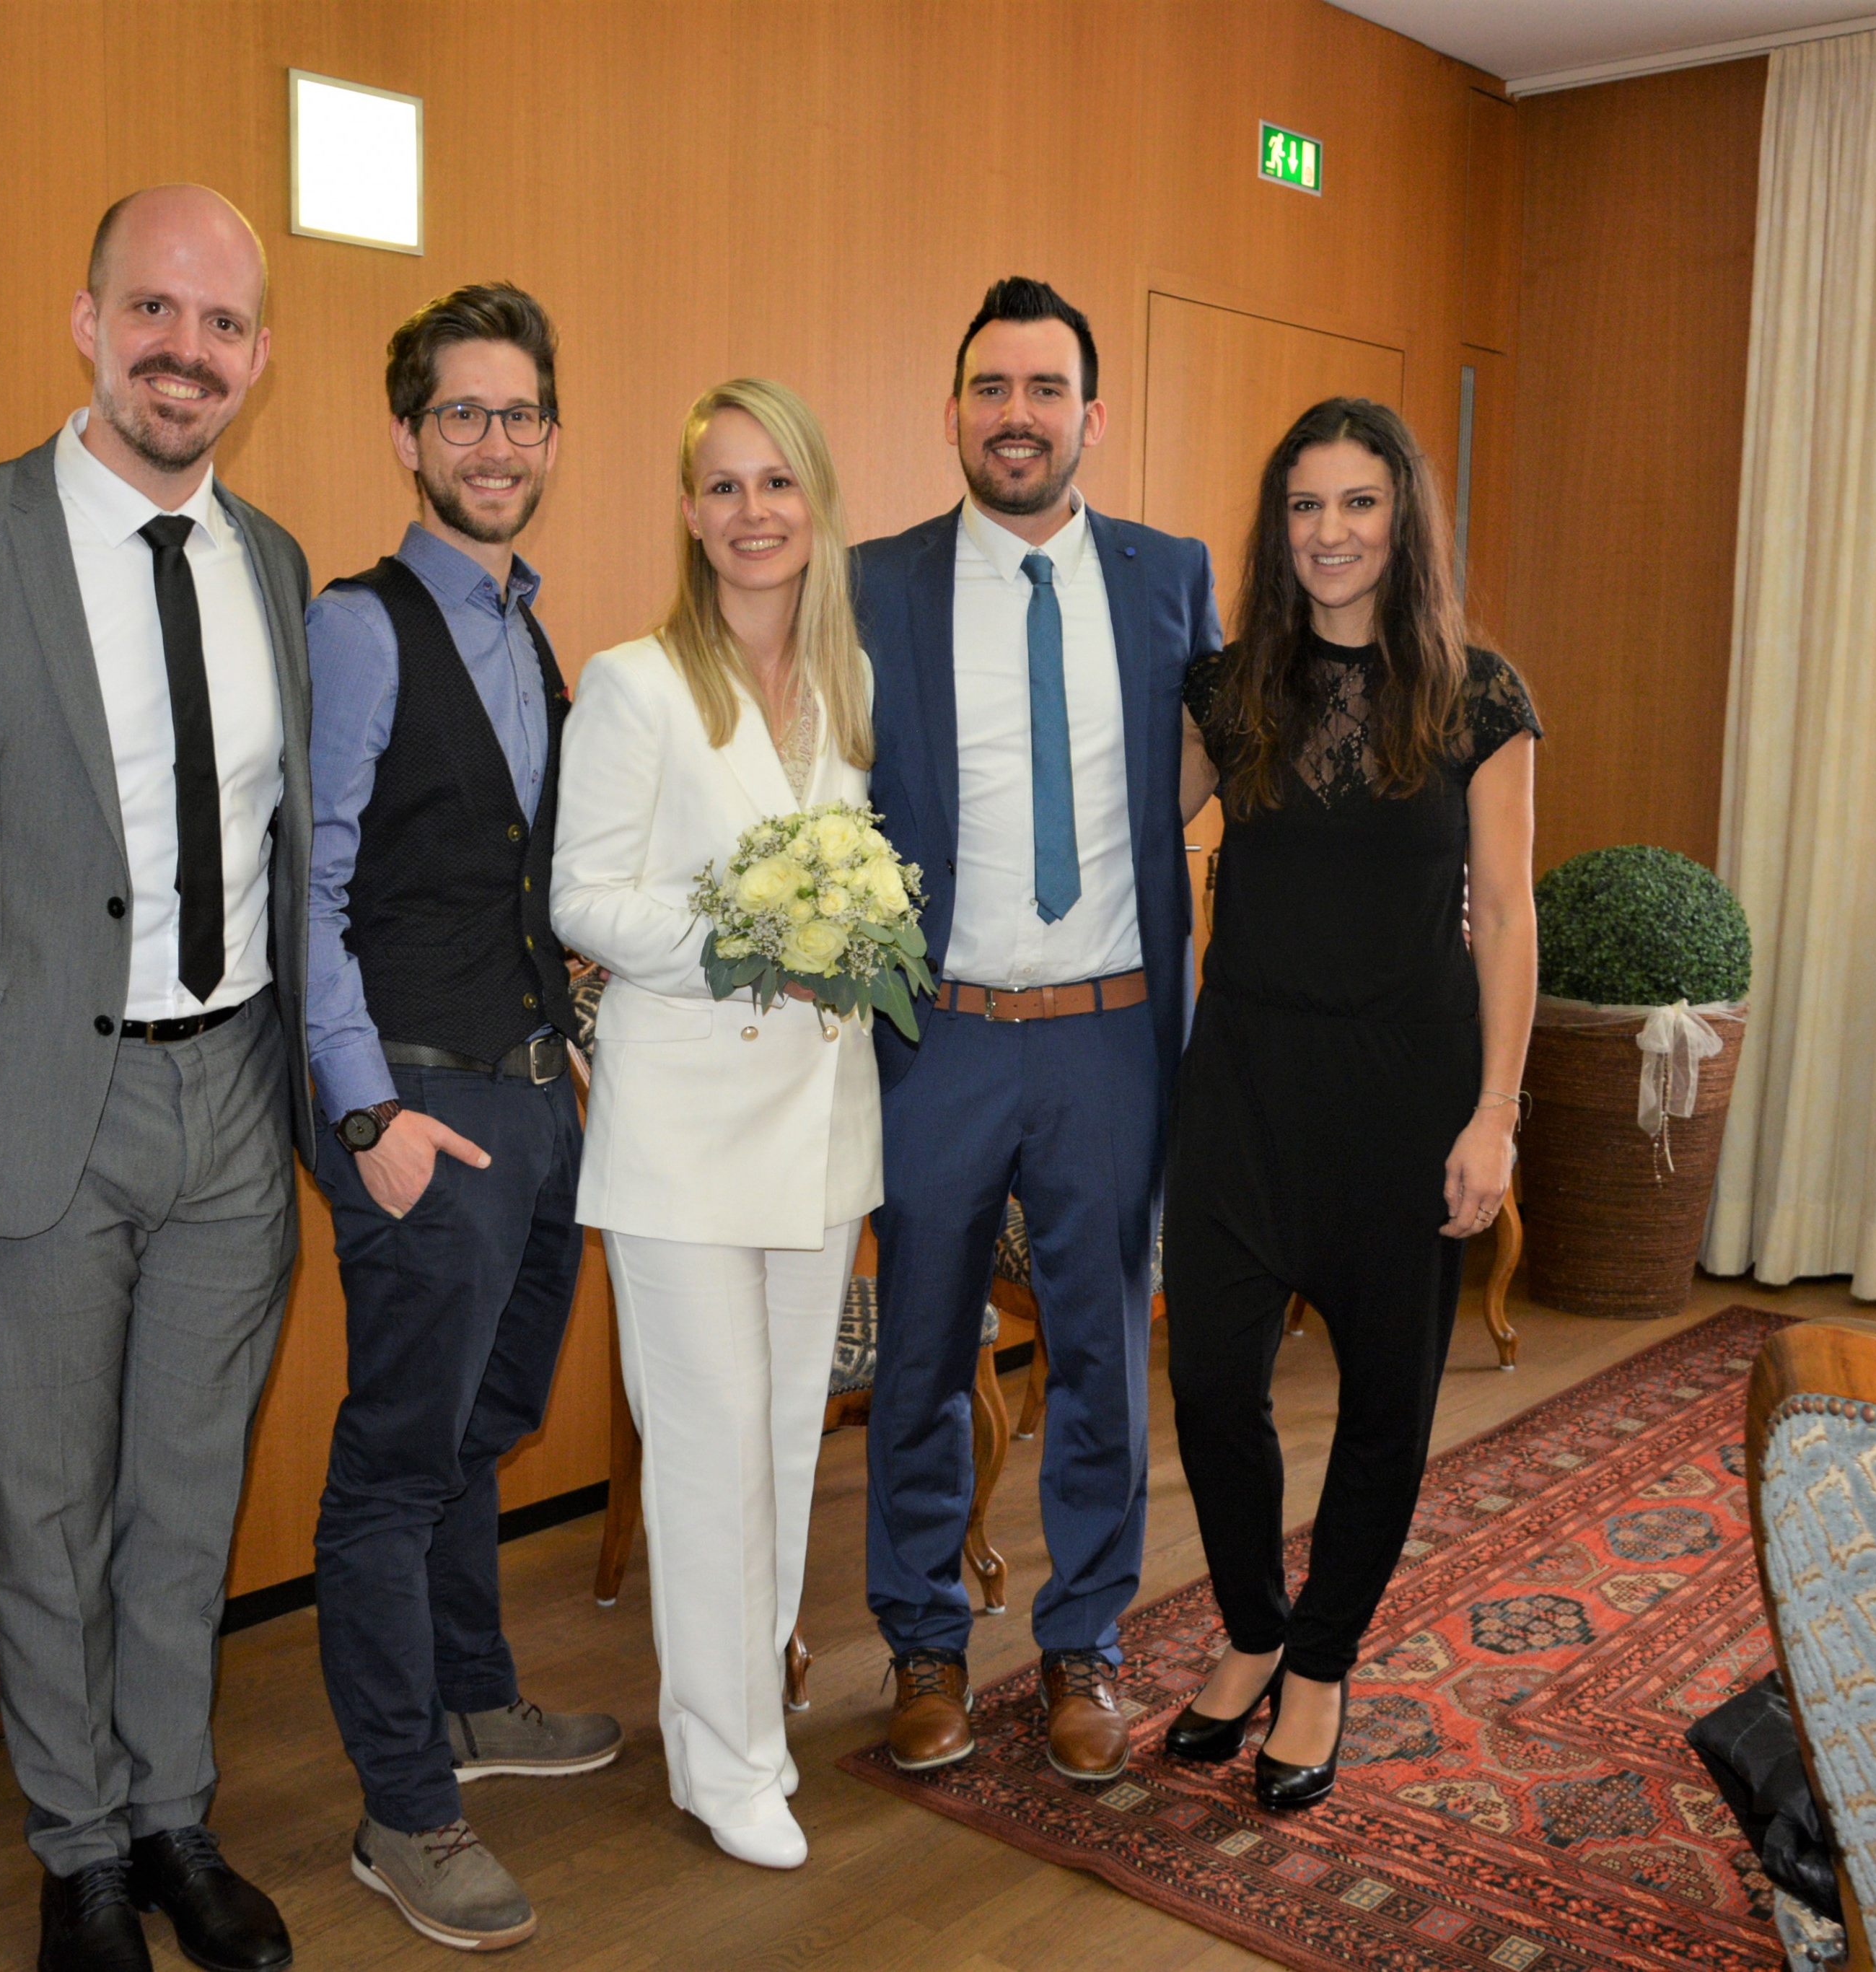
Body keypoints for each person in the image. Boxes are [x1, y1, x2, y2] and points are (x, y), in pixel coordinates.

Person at [0, 185, 308, 1972]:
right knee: (45, 1509)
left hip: (232, 1103)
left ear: (256, 356)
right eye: (153, 309)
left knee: (186, 1499)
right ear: (88, 321)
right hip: (26, 1120)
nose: (187, 349)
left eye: (222, 323)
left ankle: (172, 1814)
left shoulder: (273, 563)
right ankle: (79, 1847)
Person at [854, 277, 1221, 1783]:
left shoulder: (1169, 575)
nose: (1018, 415)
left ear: (1092, 415)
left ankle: (1083, 1642)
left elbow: (1210, 762)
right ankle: (922, 1640)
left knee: (1101, 1354)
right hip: (935, 1034)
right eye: (992, 388)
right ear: (952, 411)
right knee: (922, 1350)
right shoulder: (873, 582)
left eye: (1045, 388)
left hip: (1108, 1034)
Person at [1162, 396, 1539, 1811]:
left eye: (1357, 503)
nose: (1328, 532)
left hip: (1405, 1096)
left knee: (1387, 1402)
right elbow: (1127, 831)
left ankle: (1318, 1660)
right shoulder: (1224, 691)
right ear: (1279, 526)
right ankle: (1252, 1625)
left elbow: (1505, 916)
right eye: (1304, 505)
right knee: (1210, 1385)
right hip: (1243, 1089)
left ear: (1402, 521)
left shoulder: (1475, 696)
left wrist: (1494, 1112)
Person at [304, 281, 619, 1955]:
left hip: (532, 1093)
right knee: (395, 1462)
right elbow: (311, 883)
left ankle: (477, 1696)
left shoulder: (529, 631)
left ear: (551, 437)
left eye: (518, 415)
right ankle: (402, 1805)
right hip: (418, 1099)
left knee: (482, 1424)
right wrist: (368, 1116)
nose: (492, 443)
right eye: (460, 415)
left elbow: (525, 875)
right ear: (410, 435)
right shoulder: (361, 625)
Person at [551, 379, 881, 1871]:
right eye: (725, 486)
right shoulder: (634, 683)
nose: (754, 512)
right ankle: (724, 1759)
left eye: (777, 482)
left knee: (783, 1444)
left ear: (816, 503)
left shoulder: (851, 684)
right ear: (689, 513)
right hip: (682, 1131)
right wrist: (748, 937)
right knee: (707, 1450)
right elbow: (582, 899)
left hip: (819, 1126)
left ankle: (748, 1714)